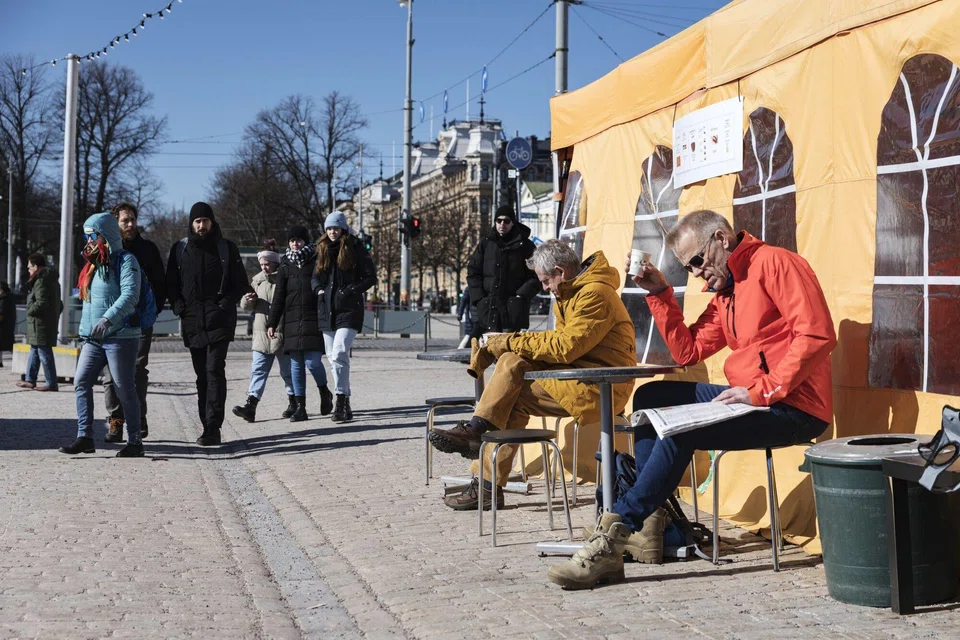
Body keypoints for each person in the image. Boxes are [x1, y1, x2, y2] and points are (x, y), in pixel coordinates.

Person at [547, 210, 837, 590]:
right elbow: (689, 350)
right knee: (651, 397)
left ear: (721, 238)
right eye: (689, 268)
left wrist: (760, 391)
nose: (697, 273)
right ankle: (649, 523)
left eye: (698, 261)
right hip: (750, 397)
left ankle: (614, 534)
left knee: (683, 427)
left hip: (794, 405)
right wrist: (659, 293)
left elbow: (816, 335)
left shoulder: (776, 263)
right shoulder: (728, 289)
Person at [429, 240, 637, 510]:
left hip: (603, 386)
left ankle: (483, 463)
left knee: (509, 394)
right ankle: (480, 447)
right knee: (511, 369)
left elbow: (565, 347)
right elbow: (558, 345)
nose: (544, 288)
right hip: (579, 379)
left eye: (545, 280)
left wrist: (509, 341)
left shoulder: (594, 294)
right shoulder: (571, 293)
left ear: (560, 271)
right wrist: (509, 343)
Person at [59, 212, 145, 457]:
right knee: (81, 382)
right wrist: (85, 329)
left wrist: (108, 319)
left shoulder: (126, 261)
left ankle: (135, 441)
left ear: (105, 236)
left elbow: (130, 296)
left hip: (121, 336)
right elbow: (88, 302)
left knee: (123, 388)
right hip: (93, 338)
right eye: (87, 237)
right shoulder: (93, 264)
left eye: (92, 236)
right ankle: (85, 437)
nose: (89, 242)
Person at [165, 202, 249, 446]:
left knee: (214, 370)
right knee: (202, 376)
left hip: (219, 320)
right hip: (192, 321)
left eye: (205, 221)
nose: (201, 225)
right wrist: (180, 308)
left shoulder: (226, 248)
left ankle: (213, 427)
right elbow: (171, 284)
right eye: (197, 221)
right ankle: (206, 424)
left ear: (213, 223)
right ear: (192, 223)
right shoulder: (180, 249)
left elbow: (239, 283)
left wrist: (225, 304)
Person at [102, 202, 167, 443]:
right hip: (111, 322)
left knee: (138, 370)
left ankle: (139, 419)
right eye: (124, 220)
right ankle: (115, 422)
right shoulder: (106, 249)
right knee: (110, 374)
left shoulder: (148, 249)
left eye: (132, 219)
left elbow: (160, 283)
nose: (130, 224)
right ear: (115, 223)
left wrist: (153, 312)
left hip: (140, 321)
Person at [311, 212, 377, 423]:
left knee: (339, 352)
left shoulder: (355, 248)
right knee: (333, 357)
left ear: (343, 229)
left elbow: (370, 277)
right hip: (326, 309)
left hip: (349, 309)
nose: (332, 232)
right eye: (329, 228)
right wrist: (318, 290)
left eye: (336, 228)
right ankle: (346, 399)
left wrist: (350, 291)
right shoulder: (321, 249)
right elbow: (315, 276)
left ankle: (340, 399)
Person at [267, 225, 333, 422]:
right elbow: (279, 297)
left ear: (305, 241)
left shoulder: (317, 261)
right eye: (292, 240)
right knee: (295, 365)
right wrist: (272, 322)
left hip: (313, 318)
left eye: (299, 240)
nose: (295, 244)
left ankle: (324, 392)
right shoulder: (285, 265)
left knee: (313, 362)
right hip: (291, 320)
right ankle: (301, 407)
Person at [232, 241, 295, 422]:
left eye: (267, 263)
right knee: (258, 370)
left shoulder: (285, 278)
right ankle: (250, 406)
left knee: (287, 371)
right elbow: (246, 307)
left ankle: (294, 402)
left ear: (276, 262)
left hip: (282, 333)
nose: (264, 267)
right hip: (261, 334)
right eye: (261, 264)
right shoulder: (257, 280)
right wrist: (248, 300)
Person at [465, 205, 540, 340]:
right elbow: (473, 272)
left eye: (506, 221)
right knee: (485, 348)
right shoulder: (486, 244)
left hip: (513, 308)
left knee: (509, 349)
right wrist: (480, 298)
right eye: (498, 221)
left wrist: (521, 296)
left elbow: (537, 274)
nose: (502, 224)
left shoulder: (526, 245)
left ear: (513, 223)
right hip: (488, 305)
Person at [17, 253, 61, 391]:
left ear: (36, 266)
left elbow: (42, 302)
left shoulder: (41, 280)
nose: (29, 269)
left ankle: (51, 382)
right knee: (35, 350)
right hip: (43, 322)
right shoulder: (51, 280)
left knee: (44, 351)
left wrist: (29, 310)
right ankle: (30, 379)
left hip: (41, 323)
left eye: (30, 267)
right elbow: (59, 304)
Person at [0, 281, 14, 368]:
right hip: (8, 326)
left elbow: (1, 313)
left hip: (3, 326)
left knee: (8, 345)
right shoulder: (9, 297)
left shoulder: (3, 299)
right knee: (8, 345)